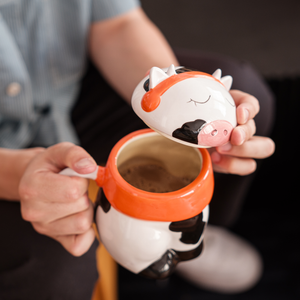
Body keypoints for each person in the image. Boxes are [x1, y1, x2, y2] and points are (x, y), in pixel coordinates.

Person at [0, 0, 275, 299]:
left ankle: (191, 235)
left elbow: (117, 23)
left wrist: (176, 98)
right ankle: (147, 246)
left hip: (67, 97)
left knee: (248, 93)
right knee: (56, 277)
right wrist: (13, 173)